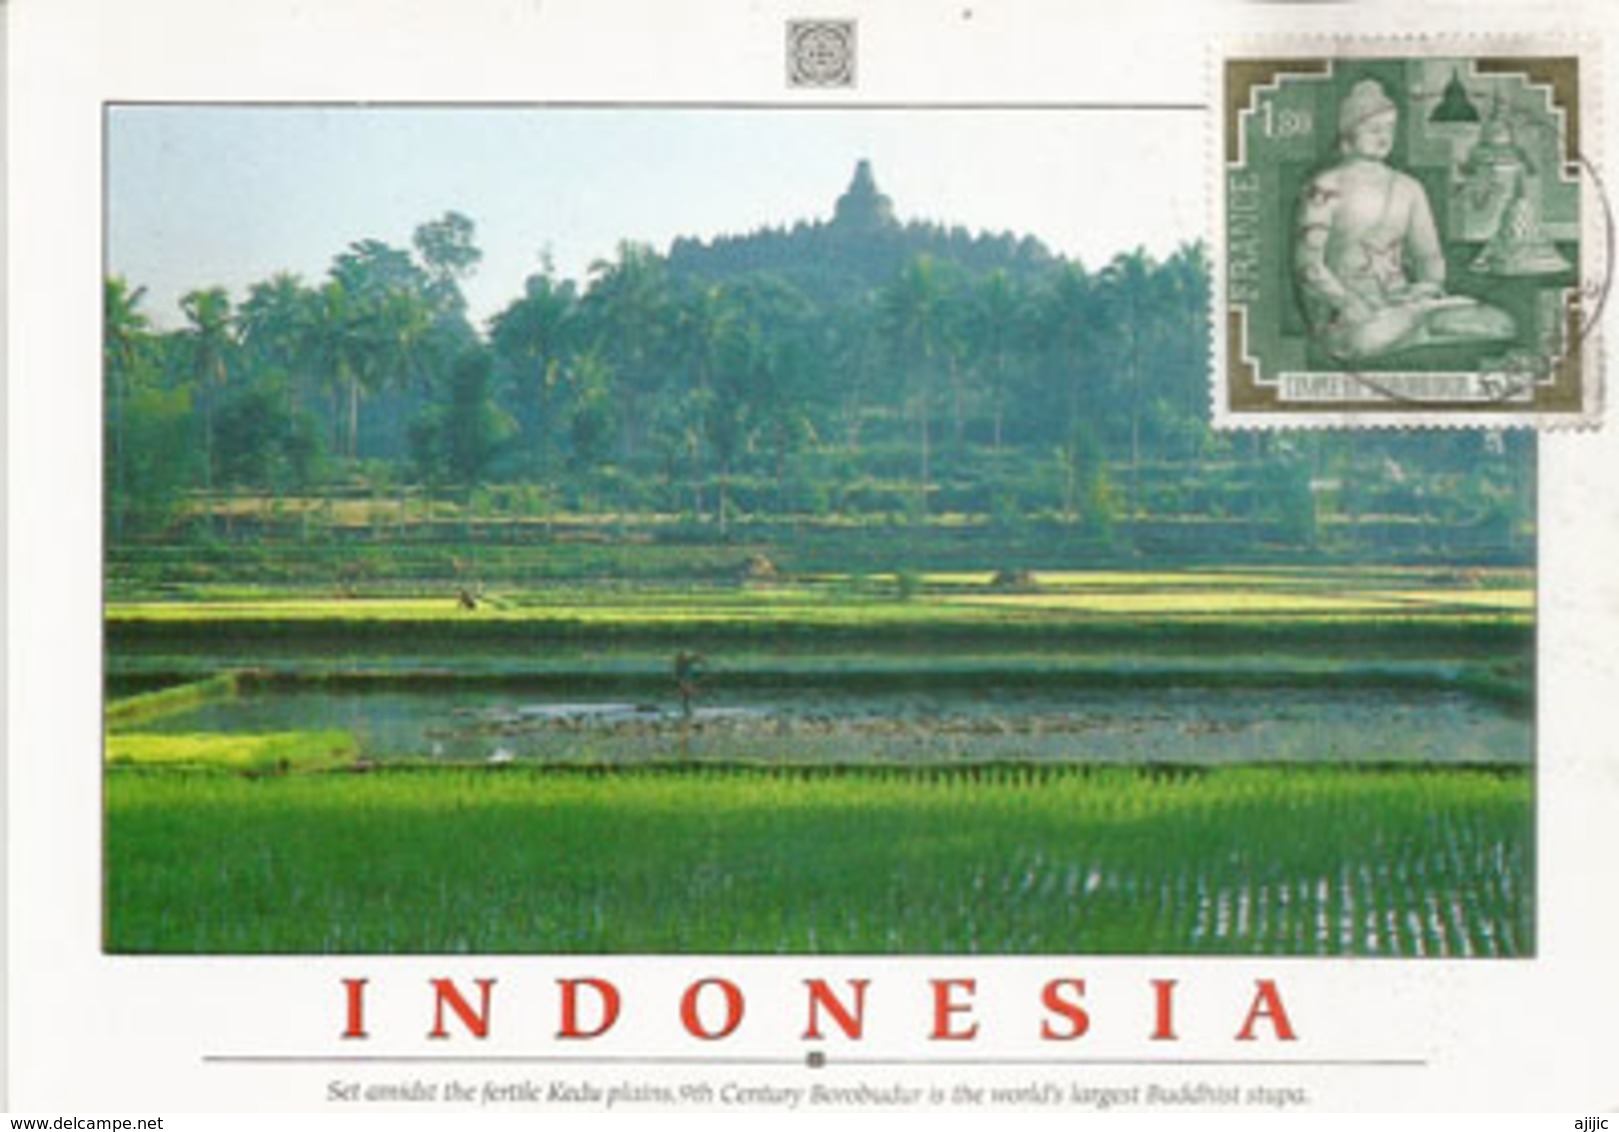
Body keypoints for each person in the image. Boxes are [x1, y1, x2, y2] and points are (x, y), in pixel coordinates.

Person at [1294, 78, 1515, 361]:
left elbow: (1430, 259)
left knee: (1502, 322)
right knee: (1365, 337)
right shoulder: (1325, 186)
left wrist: (1425, 289)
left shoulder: (1409, 188)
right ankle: (1419, 330)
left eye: (1389, 129)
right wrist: (1349, 303)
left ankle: (1417, 328)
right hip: (1351, 314)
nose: (1384, 137)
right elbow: (1308, 267)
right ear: (1349, 133)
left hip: (1403, 304)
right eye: (1374, 129)